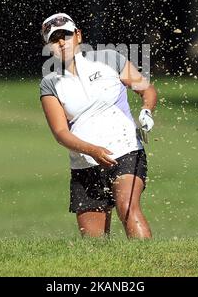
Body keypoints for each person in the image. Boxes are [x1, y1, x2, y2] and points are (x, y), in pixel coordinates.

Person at [39, 13, 157, 239]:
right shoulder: (50, 83)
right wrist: (92, 150)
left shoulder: (109, 59)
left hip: (126, 149)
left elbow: (146, 89)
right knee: (93, 245)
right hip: (84, 163)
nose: (62, 43)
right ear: (48, 46)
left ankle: (149, 267)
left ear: (78, 35)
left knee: (127, 206)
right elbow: (61, 133)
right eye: (55, 39)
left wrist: (146, 111)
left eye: (66, 35)